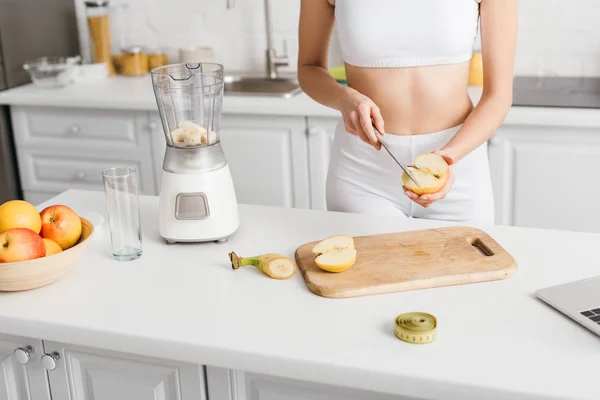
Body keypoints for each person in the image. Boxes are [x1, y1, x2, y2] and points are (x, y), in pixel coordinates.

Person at [297, 0, 517, 224]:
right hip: (364, 173)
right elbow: (309, 68)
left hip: (459, 170)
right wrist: (344, 98)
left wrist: (449, 158)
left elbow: (498, 96)